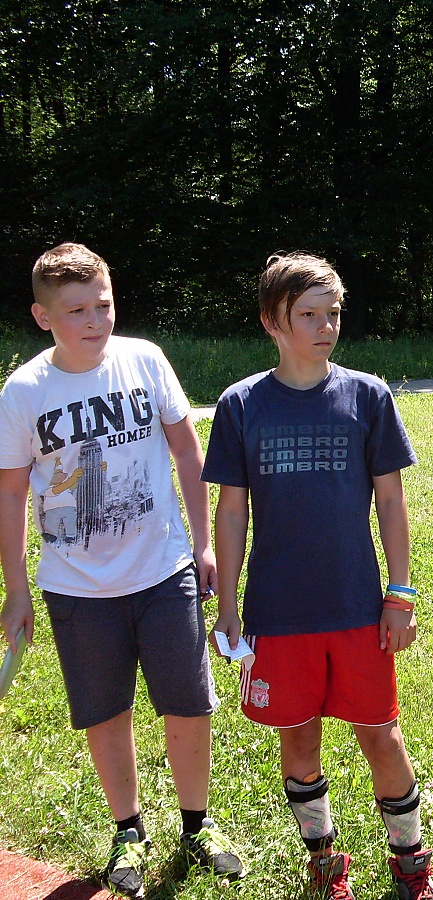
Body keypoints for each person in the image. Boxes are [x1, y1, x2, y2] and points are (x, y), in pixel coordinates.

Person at [0, 243, 244, 899]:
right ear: (43, 316)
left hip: (164, 571)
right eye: (76, 310)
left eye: (103, 305)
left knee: (188, 703)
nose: (95, 320)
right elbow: (11, 493)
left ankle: (196, 825)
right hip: (77, 588)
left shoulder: (144, 360)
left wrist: (204, 545)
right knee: (106, 712)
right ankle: (128, 831)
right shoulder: (24, 392)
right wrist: (17, 589)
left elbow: (188, 454)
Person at [202, 252, 433, 900]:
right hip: (278, 613)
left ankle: (411, 863)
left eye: (333, 313)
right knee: (300, 737)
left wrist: (401, 593)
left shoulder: (368, 396)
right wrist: (229, 607)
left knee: (381, 736)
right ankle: (325, 861)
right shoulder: (241, 404)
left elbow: (390, 500)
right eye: (308, 314)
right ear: (272, 321)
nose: (326, 326)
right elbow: (231, 511)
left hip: (357, 607)